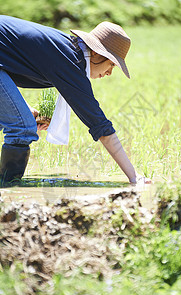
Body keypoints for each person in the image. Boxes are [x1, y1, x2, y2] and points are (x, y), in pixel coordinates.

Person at [0, 15, 150, 184]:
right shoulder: (70, 62)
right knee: (23, 127)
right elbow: (100, 126)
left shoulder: (68, 52)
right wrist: (133, 176)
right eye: (112, 64)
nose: (109, 73)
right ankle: (8, 189)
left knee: (14, 120)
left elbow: (7, 65)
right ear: (95, 52)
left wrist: (24, 108)